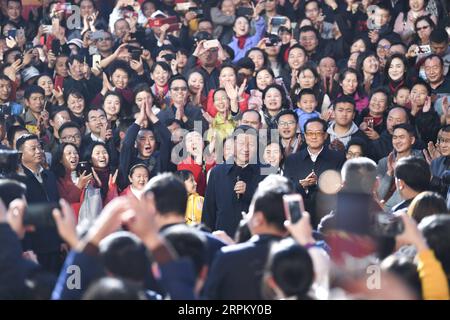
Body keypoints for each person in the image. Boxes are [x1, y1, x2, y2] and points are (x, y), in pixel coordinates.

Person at [203, 175, 290, 300]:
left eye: (249, 212)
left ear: (258, 219)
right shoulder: (301, 255)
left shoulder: (227, 257)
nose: (246, 218)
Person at [203, 125, 264, 237]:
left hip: (254, 240)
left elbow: (270, 209)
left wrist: (249, 191)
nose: (245, 149)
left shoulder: (266, 173)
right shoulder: (217, 172)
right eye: (241, 144)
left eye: (250, 144)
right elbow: (209, 211)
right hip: (223, 239)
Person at [284, 118, 346, 224]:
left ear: (325, 136)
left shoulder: (338, 158)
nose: (313, 137)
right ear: (305, 136)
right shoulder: (292, 159)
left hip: (329, 218)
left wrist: (319, 183)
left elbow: (342, 188)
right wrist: (301, 185)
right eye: (310, 133)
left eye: (318, 133)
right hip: (299, 216)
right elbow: (286, 189)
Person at [16, 134, 62, 274]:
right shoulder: (19, 181)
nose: (39, 151)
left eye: (40, 147)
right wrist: (26, 247)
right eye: (33, 148)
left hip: (55, 242)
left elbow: (57, 207)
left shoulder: (50, 176)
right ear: (21, 154)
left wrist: (62, 239)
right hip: (35, 245)